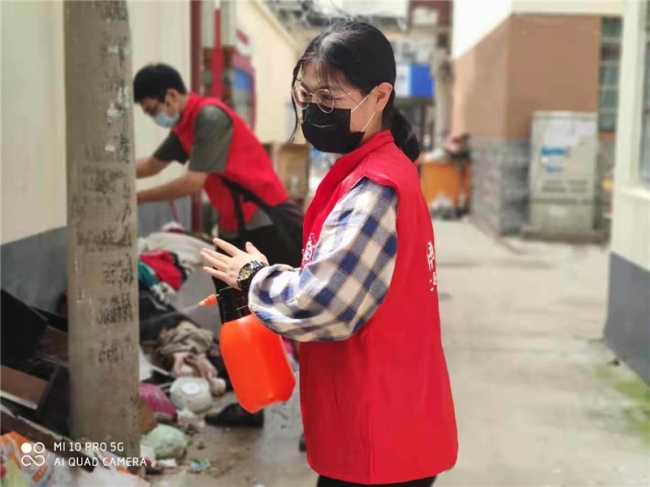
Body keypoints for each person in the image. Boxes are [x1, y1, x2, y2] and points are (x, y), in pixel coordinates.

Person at [200, 22, 458, 487]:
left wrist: (255, 277)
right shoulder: (372, 171)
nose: (313, 109)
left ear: (379, 97)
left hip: (380, 432)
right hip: (391, 417)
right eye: (306, 95)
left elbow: (324, 304)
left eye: (329, 97)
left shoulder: (374, 189)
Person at [133, 63, 304, 428]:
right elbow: (150, 165)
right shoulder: (184, 127)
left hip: (265, 224)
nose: (153, 117)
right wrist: (106, 171)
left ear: (171, 96)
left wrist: (136, 198)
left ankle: (320, 412)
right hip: (234, 229)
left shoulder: (209, 118)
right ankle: (250, 405)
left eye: (152, 109)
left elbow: (192, 183)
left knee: (295, 317)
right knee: (237, 321)